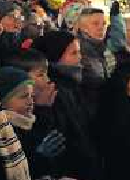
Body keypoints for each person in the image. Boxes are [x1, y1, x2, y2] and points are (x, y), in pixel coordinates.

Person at [32, 30, 103, 180]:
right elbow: (66, 137)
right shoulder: (54, 90)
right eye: (73, 53)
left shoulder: (73, 84)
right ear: (56, 56)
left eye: (79, 52)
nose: (80, 58)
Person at [0, 67, 67, 179]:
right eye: (23, 97)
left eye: (32, 96)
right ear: (1, 101)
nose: (30, 102)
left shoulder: (30, 125)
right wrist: (38, 157)